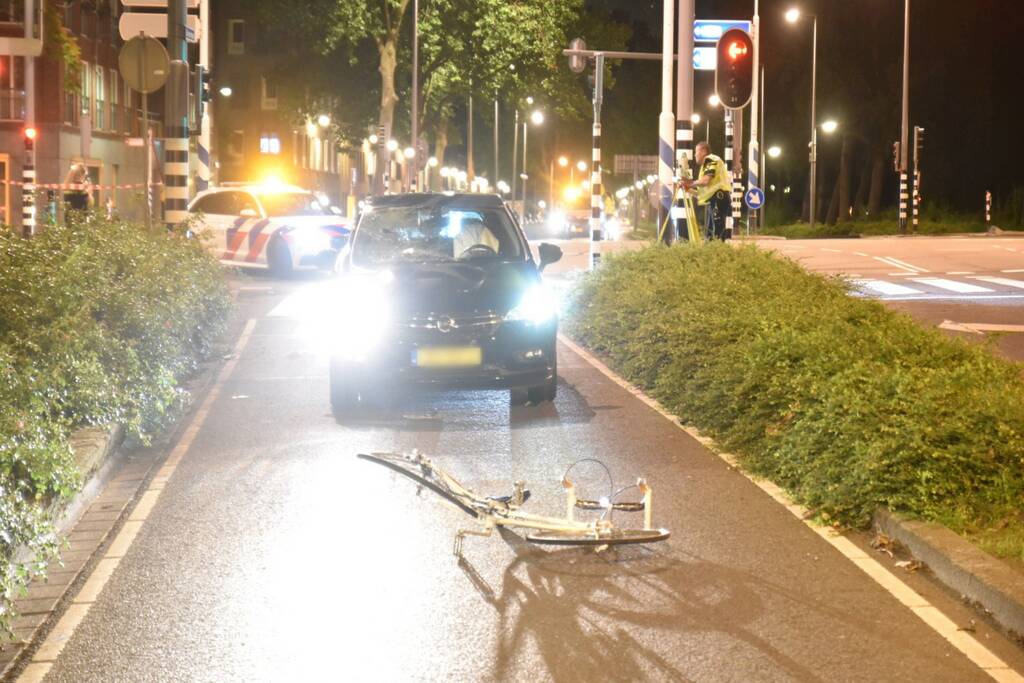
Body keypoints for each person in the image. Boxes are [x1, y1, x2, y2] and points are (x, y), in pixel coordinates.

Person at [683, 142, 732, 241]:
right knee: (711, 233)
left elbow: (705, 181)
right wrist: (688, 189)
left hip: (719, 198)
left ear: (704, 151)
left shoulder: (710, 159)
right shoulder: (705, 166)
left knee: (716, 231)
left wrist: (689, 183)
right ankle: (714, 251)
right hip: (715, 199)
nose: (695, 154)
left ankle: (717, 252)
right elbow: (703, 193)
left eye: (696, 151)